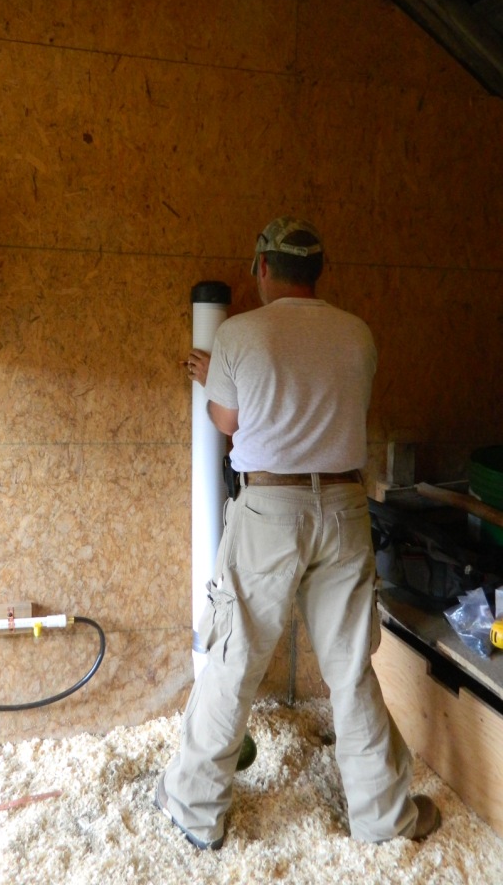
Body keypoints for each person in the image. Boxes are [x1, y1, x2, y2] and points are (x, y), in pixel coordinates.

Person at [157, 216, 440, 850]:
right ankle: (385, 819)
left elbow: (227, 420)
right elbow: (325, 400)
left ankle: (196, 811)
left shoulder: (238, 333)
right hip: (343, 507)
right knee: (350, 669)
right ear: (318, 272)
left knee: (233, 660)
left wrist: (214, 380)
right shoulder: (358, 334)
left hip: (271, 510)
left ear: (262, 267)